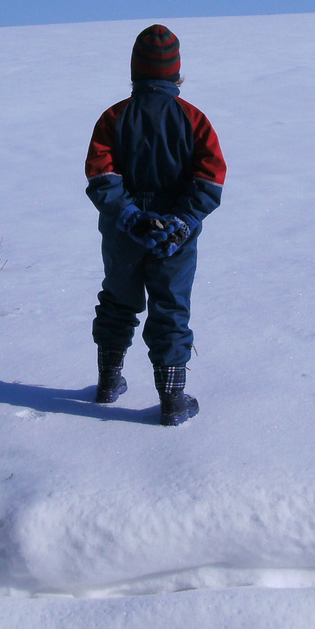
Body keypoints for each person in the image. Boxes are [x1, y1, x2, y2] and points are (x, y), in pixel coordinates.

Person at [84, 25, 226, 425]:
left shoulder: (114, 117)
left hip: (122, 234)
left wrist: (130, 217)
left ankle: (108, 382)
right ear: (176, 74)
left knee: (118, 300)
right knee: (170, 308)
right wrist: (182, 221)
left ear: (135, 72)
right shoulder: (193, 119)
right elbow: (210, 178)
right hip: (175, 239)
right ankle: (173, 400)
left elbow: (101, 175)